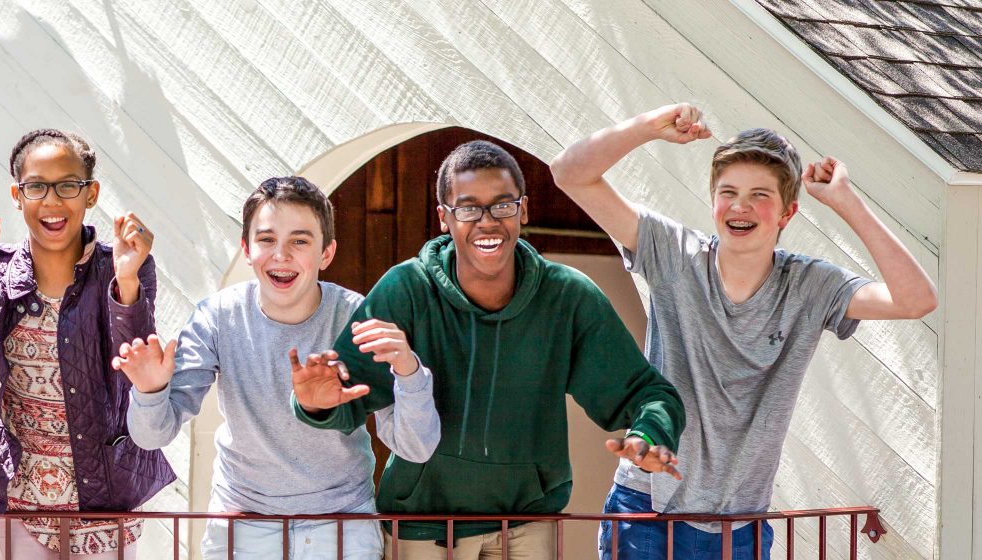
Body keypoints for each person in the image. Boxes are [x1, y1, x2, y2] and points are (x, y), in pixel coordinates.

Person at [549, 103, 937, 559]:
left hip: (742, 525)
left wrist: (847, 203)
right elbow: (569, 174)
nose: (741, 206)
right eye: (728, 192)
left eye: (760, 195)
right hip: (647, 509)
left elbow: (916, 300)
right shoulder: (675, 255)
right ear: (713, 202)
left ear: (787, 214)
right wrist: (647, 128)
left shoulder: (810, 286)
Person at [294, 140, 686, 559]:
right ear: (444, 218)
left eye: (502, 205)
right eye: (468, 208)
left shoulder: (568, 298)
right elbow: (347, 395)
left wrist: (649, 434)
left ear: (524, 210)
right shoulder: (404, 290)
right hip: (425, 526)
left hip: (527, 524)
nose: (487, 222)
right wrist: (318, 404)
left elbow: (649, 394)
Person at [116, 176, 433, 559]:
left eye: (300, 241)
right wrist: (150, 392)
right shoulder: (217, 317)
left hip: (342, 526)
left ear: (326, 253)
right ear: (246, 249)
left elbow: (416, 447)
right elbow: (153, 435)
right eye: (267, 240)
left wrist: (410, 372)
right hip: (243, 524)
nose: (281, 254)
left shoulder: (357, 318)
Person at [0, 128, 174, 559]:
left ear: (91, 194)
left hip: (104, 499)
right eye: (36, 187)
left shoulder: (123, 266)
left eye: (68, 185)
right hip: (17, 497)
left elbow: (135, 361)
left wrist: (125, 279)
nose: (52, 201)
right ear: (17, 194)